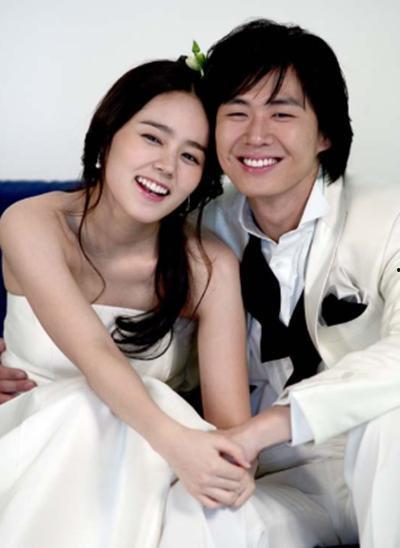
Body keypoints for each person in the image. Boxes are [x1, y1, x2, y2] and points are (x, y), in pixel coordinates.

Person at [0, 57, 263, 547]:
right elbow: (96, 357)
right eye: (152, 138)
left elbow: (232, 429)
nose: (166, 165)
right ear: (107, 136)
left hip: (146, 471)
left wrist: (222, 466)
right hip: (27, 454)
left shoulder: (208, 267)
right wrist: (177, 442)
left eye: (190, 156)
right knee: (86, 405)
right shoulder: (31, 224)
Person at [197, 19, 400, 548]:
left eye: (281, 112)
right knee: (202, 521)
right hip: (273, 478)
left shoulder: (390, 218)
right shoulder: (198, 231)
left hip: (373, 457)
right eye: (236, 112)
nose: (255, 134)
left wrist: (276, 422)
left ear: (325, 133)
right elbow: (145, 337)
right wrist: (32, 365)